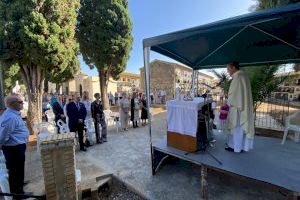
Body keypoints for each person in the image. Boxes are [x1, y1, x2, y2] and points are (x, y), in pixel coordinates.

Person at [0, 95, 29, 195]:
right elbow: (3, 137)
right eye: (20, 102)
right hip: (13, 148)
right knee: (15, 170)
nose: (22, 104)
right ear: (12, 104)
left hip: (17, 147)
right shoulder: (10, 117)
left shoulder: (14, 114)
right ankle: (18, 193)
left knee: (18, 169)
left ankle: (19, 184)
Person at [226, 62, 255, 153]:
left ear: (233, 67)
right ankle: (240, 146)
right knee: (240, 129)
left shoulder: (238, 77)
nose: (228, 71)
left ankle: (236, 148)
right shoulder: (243, 76)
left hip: (237, 107)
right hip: (242, 106)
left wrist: (227, 102)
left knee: (237, 128)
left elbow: (234, 95)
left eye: (228, 69)